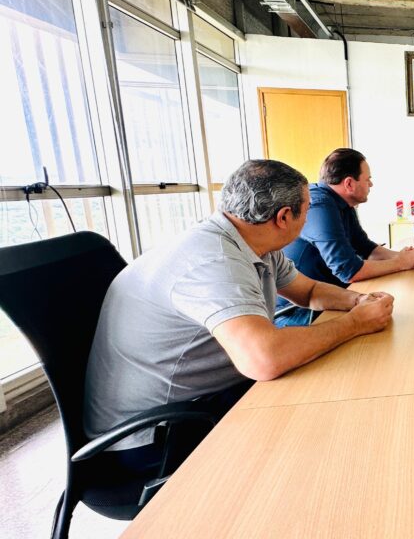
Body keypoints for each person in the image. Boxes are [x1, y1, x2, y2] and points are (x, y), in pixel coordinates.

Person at [84, 159, 395, 468]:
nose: (310, 218)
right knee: (327, 438)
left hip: (200, 399)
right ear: (284, 217)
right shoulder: (215, 259)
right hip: (151, 439)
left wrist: (358, 301)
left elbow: (309, 292)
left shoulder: (254, 242)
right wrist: (354, 324)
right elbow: (265, 359)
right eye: (308, 208)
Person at [277, 148, 414, 326]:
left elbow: (366, 248)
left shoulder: (343, 203)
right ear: (349, 183)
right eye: (367, 179)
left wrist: (405, 256)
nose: (371, 184)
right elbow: (349, 271)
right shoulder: (319, 205)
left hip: (332, 296)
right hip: (301, 311)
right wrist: (401, 262)